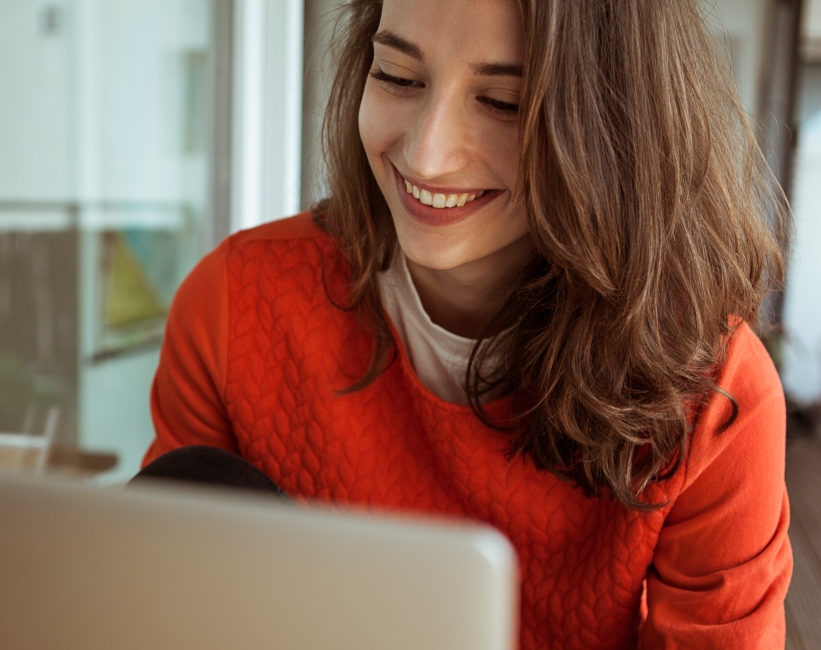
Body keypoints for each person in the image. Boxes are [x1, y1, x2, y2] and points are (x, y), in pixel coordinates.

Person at [141, 0, 793, 647]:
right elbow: (156, 606)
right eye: (398, 77)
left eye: (504, 103)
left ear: (617, 126)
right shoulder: (233, 306)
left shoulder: (713, 396)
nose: (426, 156)